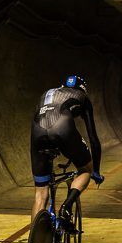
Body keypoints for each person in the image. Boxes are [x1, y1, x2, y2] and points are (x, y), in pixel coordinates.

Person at [30, 75, 104, 225]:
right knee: (85, 170)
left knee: (40, 192)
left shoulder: (47, 93)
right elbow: (94, 140)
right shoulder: (82, 96)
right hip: (62, 130)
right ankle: (67, 206)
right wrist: (96, 170)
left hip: (37, 133)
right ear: (83, 89)